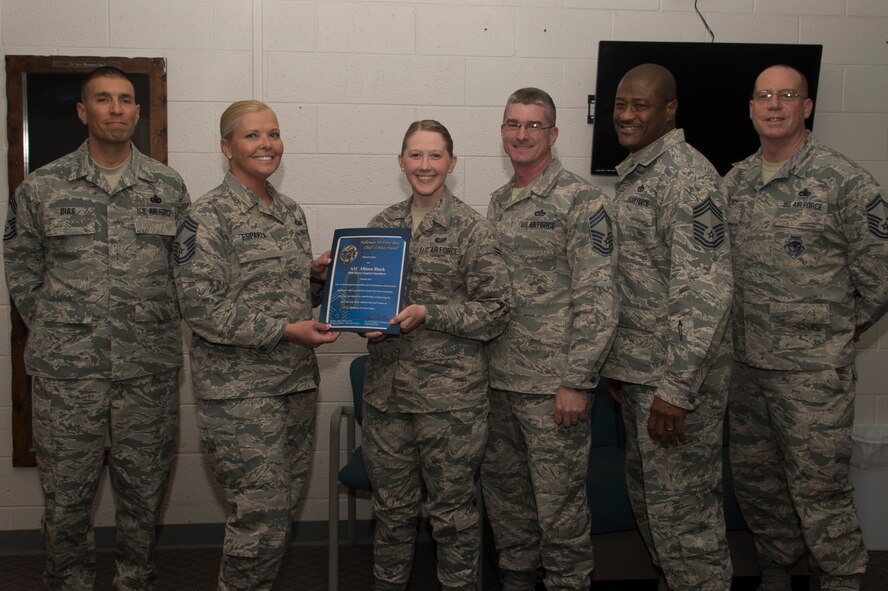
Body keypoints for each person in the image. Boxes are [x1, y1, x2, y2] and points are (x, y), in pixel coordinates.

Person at [3, 66, 189, 590]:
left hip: (147, 373)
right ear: (83, 112)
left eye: (125, 100)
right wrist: (58, 327)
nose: (115, 109)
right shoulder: (42, 186)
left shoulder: (167, 186)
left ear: (137, 112)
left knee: (144, 496)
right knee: (66, 500)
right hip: (69, 378)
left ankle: (136, 580)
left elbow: (187, 270)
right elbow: (21, 266)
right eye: (103, 100)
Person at [725, 64, 887, 591]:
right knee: (758, 486)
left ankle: (840, 578)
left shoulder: (845, 182)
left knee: (821, 491)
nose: (775, 105)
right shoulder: (735, 183)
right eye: (764, 95)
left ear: (807, 106)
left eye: (787, 95)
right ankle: (776, 572)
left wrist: (829, 334)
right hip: (746, 371)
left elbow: (881, 278)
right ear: (751, 108)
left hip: (813, 377)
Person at [172, 100, 339, 590]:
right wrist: (287, 330)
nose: (266, 144)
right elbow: (202, 309)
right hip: (240, 395)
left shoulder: (288, 211)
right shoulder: (206, 217)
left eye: (273, 133)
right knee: (258, 520)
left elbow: (277, 292)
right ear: (227, 147)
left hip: (294, 386)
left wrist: (311, 280)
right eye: (251, 136)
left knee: (277, 516)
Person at [361, 120, 511, 591]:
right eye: (415, 155)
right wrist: (362, 320)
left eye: (435, 156)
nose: (425, 166)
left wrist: (431, 313)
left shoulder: (472, 229)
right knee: (391, 514)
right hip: (387, 399)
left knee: (453, 518)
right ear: (401, 161)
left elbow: (496, 310)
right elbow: (366, 298)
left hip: (451, 404)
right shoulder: (381, 226)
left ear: (452, 162)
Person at [600, 64, 733, 591]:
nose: (627, 115)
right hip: (640, 374)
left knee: (686, 520)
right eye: (620, 105)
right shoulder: (641, 170)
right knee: (655, 506)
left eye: (641, 105)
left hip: (674, 385)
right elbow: (640, 280)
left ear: (670, 110)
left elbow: (705, 290)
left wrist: (676, 390)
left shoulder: (687, 177)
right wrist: (620, 365)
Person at [480, 88, 617, 591]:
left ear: (553, 134)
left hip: (551, 390)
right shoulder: (498, 203)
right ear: (502, 132)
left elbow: (599, 297)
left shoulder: (583, 201)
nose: (522, 134)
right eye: (513, 124)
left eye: (534, 126)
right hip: (497, 384)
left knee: (560, 517)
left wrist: (577, 381)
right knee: (508, 513)